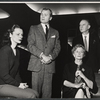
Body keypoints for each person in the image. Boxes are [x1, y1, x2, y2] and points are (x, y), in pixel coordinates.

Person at [27, 8, 61, 98]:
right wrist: (42, 55)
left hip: (49, 67)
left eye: (46, 15)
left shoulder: (55, 32)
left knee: (47, 94)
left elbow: (57, 48)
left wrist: (50, 57)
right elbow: (30, 45)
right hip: (36, 66)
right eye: (41, 14)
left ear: (50, 18)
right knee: (34, 94)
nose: (42, 16)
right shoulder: (33, 28)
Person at [0, 24, 38, 98]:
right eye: (18, 34)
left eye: (22, 34)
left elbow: (16, 72)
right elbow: (4, 75)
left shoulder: (17, 51)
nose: (21, 36)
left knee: (35, 93)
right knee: (32, 95)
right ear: (10, 35)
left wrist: (21, 83)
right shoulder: (5, 50)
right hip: (2, 85)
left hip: (9, 84)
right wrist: (18, 85)